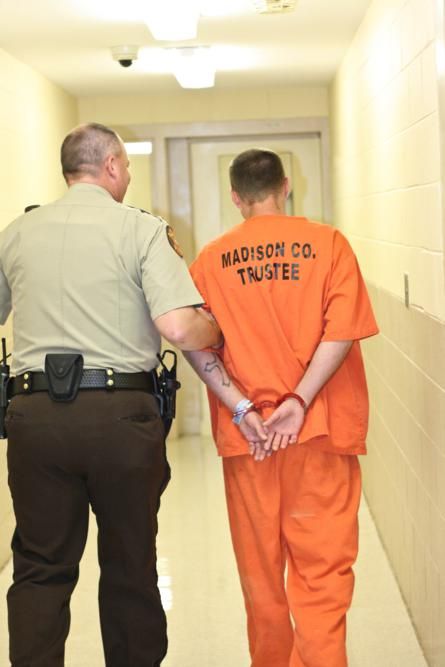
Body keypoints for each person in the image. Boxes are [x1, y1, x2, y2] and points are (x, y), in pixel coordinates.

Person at [0, 122, 222, 667]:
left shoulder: (15, 233)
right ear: (114, 167)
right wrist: (214, 328)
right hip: (120, 419)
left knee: (40, 566)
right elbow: (177, 327)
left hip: (34, 419)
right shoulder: (141, 231)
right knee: (129, 564)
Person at [184, 148, 378, 667]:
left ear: (235, 197)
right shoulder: (330, 245)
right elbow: (341, 331)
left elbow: (195, 343)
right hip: (319, 434)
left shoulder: (210, 260)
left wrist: (245, 408)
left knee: (261, 578)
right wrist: (299, 400)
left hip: (251, 443)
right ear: (285, 186)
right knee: (322, 578)